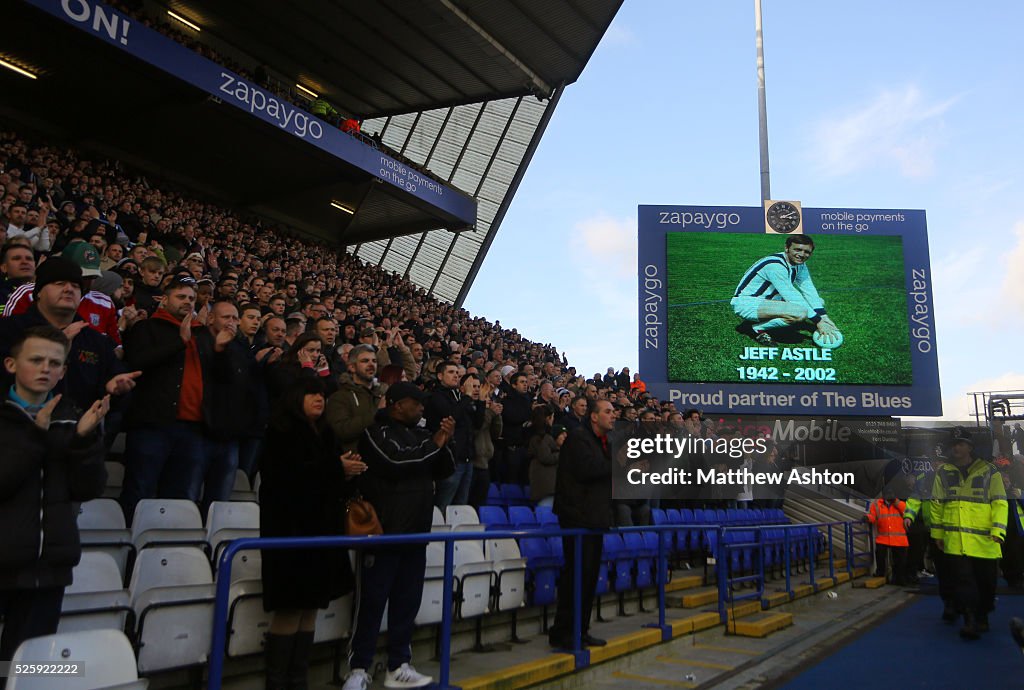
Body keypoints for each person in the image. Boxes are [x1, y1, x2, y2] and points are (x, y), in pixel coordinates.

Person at [0, 326, 109, 667]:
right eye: (36, 360)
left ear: (63, 371)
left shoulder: (72, 418)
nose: (46, 368)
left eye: (54, 362)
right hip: (4, 561)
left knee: (29, 670)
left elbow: (88, 489)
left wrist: (84, 442)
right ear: (11, 365)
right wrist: (35, 436)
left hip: (50, 570)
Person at [344, 383, 454, 690]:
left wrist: (444, 442)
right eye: (414, 403)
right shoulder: (374, 432)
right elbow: (397, 463)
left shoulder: (423, 434)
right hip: (384, 533)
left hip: (416, 532)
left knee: (407, 602)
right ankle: (358, 667)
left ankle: (398, 665)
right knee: (371, 601)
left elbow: (444, 469)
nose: (421, 408)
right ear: (395, 404)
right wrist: (435, 444)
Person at [260, 377, 362, 690]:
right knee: (291, 610)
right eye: (312, 393)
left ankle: (297, 680)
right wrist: (336, 468)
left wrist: (344, 471)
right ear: (295, 396)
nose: (320, 398)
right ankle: (278, 683)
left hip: (319, 534)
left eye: (322, 394)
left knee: (309, 611)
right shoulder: (281, 431)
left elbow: (323, 476)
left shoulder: (325, 433)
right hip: (291, 533)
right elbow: (287, 478)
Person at [928, 427, 1007, 639]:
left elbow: (1000, 501)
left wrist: (998, 530)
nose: (956, 448)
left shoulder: (990, 471)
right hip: (956, 540)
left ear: (970, 447)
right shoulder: (943, 472)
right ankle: (970, 619)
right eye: (954, 444)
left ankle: (982, 616)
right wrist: (937, 534)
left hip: (985, 540)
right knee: (964, 582)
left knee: (987, 583)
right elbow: (937, 504)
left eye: (961, 444)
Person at [548, 399, 615, 649]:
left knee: (588, 579)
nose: (613, 415)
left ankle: (580, 630)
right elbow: (588, 469)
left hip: (594, 519)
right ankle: (564, 632)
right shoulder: (579, 438)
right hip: (578, 518)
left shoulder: (601, 442)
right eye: (607, 411)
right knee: (575, 578)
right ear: (594, 417)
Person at [730, 234, 839, 346]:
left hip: (769, 301)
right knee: (800, 313)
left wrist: (824, 318)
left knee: (819, 302)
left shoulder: (800, 264)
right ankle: (757, 329)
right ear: (786, 248)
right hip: (748, 303)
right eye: (798, 250)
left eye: (807, 252)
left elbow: (808, 289)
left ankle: (763, 321)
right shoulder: (775, 265)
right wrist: (818, 321)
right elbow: (791, 295)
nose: (802, 255)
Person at [427, 362, 484, 510]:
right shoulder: (436, 396)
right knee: (443, 506)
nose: (456, 375)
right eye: (451, 372)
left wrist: (481, 402)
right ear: (440, 376)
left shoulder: (458, 397)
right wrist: (467, 397)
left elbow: (476, 424)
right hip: (450, 460)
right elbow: (451, 416)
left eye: (457, 373)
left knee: (461, 508)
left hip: (466, 458)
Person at [326, 344, 383, 453]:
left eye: (374, 361)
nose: (371, 364)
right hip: (357, 461)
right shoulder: (340, 397)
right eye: (365, 361)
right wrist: (378, 413)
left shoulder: (382, 393)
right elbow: (341, 431)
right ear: (351, 367)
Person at [865, 491, 908, 585]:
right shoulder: (876, 504)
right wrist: (867, 518)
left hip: (898, 539)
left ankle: (899, 578)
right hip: (883, 537)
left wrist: (896, 501)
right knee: (880, 555)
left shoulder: (900, 503)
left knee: (900, 561)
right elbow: (873, 516)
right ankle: (881, 573)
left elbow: (907, 511)